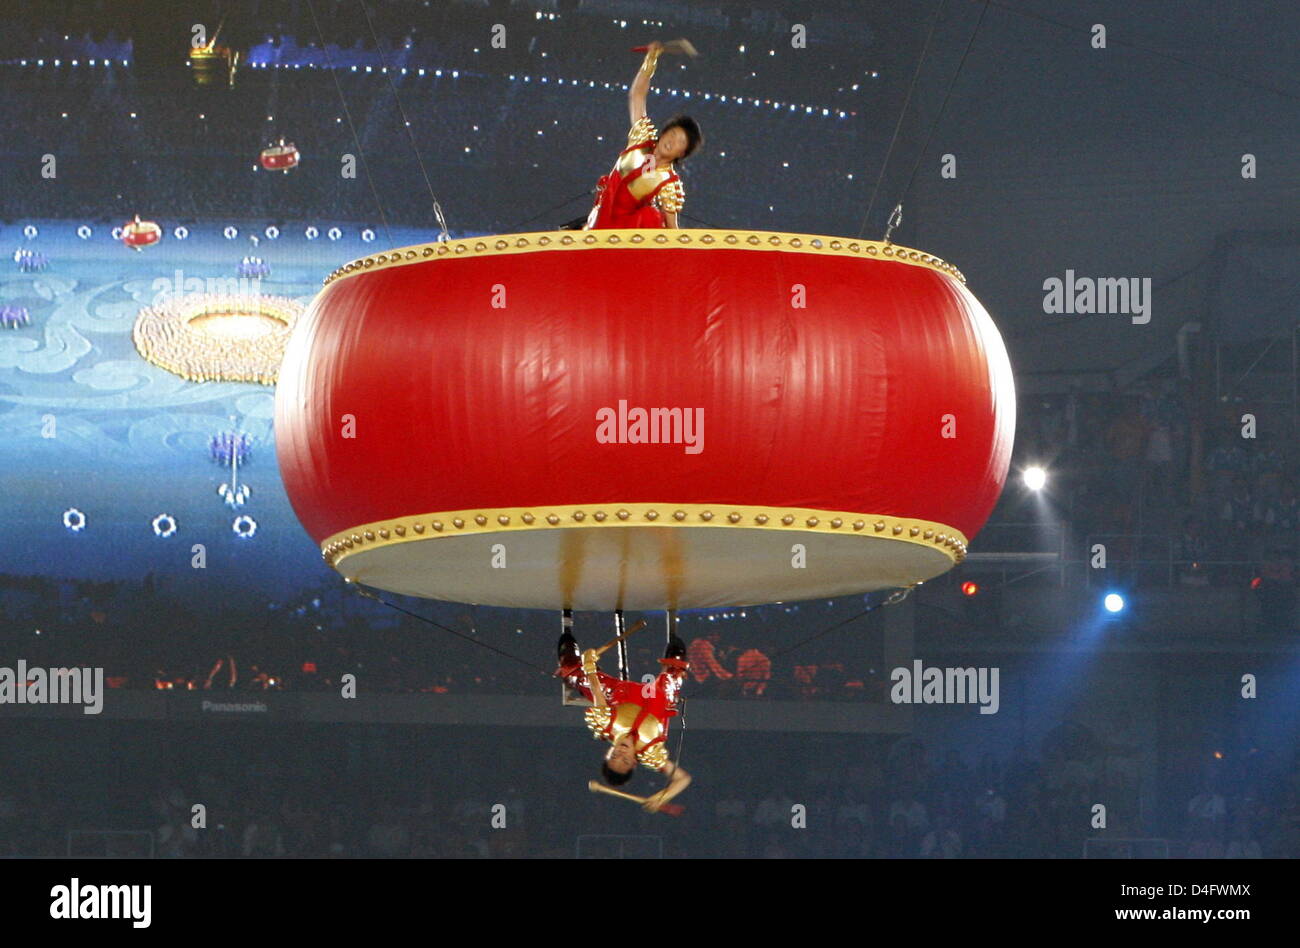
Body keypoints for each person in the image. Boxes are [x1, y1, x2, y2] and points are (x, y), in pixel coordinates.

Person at [555, 617, 692, 811]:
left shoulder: (605, 725)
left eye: (613, 757)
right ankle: (674, 647)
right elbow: (682, 778)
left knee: (571, 670)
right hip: (657, 696)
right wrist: (663, 796)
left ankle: (568, 637)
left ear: (607, 753)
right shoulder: (650, 753)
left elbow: (597, 691)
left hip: (618, 693)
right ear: (635, 762)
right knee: (676, 665)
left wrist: (589, 665)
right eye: (625, 760)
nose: (620, 753)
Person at [565, 41, 702, 230]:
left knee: (652, 217)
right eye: (672, 133)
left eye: (680, 141)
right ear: (662, 134)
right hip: (599, 220)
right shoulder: (642, 139)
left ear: (682, 153)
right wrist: (651, 59)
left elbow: (673, 230)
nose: (671, 140)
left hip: (625, 232)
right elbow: (637, 95)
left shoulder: (668, 182)